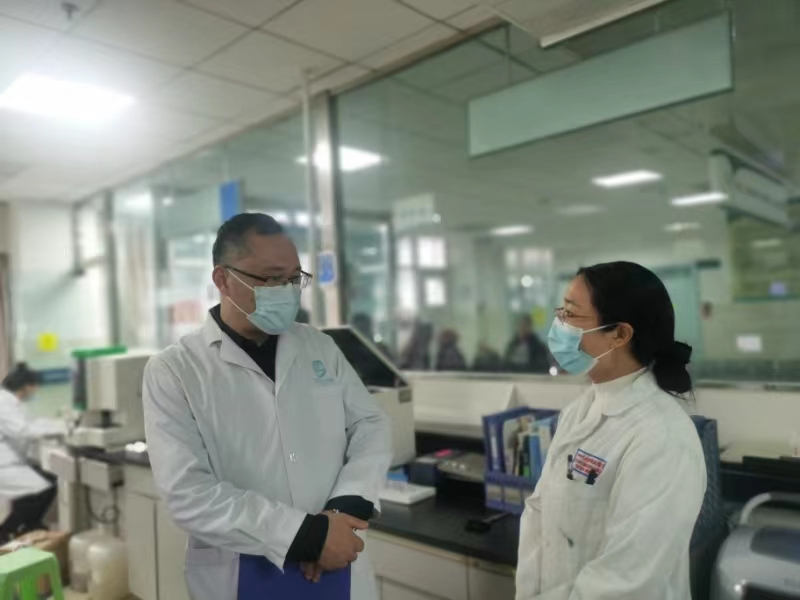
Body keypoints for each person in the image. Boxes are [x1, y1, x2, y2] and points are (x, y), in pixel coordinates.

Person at [143, 214, 393, 600]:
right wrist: (306, 536)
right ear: (223, 280)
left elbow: (370, 425)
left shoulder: (319, 347)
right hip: (241, 572)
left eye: (294, 278)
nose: (286, 291)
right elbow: (187, 493)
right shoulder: (175, 370)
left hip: (337, 560)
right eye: (272, 278)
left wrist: (343, 511)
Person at [516, 262, 706, 600]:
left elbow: (627, 581)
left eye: (571, 314)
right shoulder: (579, 411)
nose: (559, 325)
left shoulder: (662, 436)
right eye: (561, 311)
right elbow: (539, 515)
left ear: (619, 334)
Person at [0, 363, 63, 543]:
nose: (35, 391)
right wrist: (57, 430)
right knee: (43, 488)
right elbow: (22, 430)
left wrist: (54, 425)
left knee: (44, 483)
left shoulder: (12, 402)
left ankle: (28, 526)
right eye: (35, 387)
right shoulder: (4, 403)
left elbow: (29, 424)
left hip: (12, 462)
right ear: (27, 386)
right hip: (4, 465)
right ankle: (11, 531)